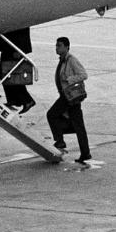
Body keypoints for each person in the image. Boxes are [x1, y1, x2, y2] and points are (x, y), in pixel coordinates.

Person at [46, 36, 91, 165]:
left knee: (52, 114)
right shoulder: (63, 60)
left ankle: (60, 140)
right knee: (78, 125)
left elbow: (83, 74)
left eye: (59, 45)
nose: (56, 48)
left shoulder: (71, 60)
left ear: (66, 47)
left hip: (70, 97)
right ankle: (85, 153)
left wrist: (69, 80)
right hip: (67, 96)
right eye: (56, 45)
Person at [0, 28, 37, 114]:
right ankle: (14, 99)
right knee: (5, 72)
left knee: (12, 73)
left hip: (14, 46)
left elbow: (22, 29)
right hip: (9, 45)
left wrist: (19, 49)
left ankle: (27, 100)